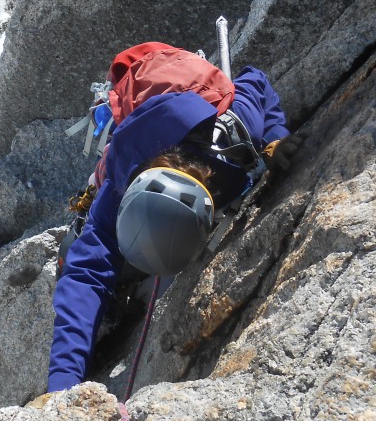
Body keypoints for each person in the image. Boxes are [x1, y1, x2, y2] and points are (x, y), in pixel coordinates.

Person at [48, 45, 300, 392]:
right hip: (145, 98)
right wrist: (63, 382)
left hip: (185, 99)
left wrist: (274, 136)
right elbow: (84, 272)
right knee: (74, 248)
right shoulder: (120, 183)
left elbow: (254, 80)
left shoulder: (235, 135)